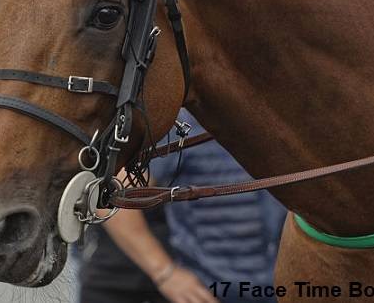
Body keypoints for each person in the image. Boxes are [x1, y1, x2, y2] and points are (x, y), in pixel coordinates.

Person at [80, 111, 287, 303]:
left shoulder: (287, 113)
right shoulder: (183, 123)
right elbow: (110, 197)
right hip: (210, 291)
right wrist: (165, 273)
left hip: (288, 288)